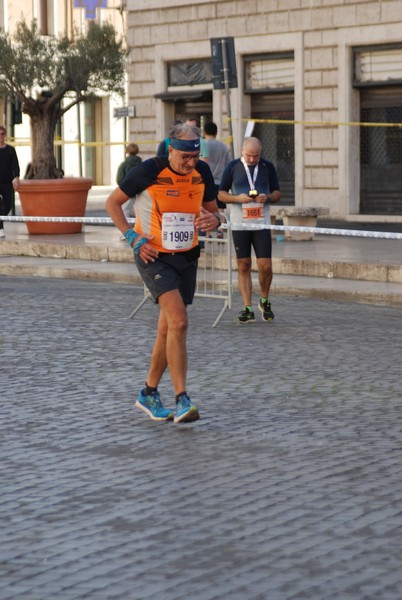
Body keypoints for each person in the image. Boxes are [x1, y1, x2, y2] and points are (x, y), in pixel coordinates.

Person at [106, 122, 220, 423]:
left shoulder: (202, 172)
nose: (191, 163)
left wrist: (214, 221)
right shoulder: (148, 170)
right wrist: (133, 238)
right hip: (153, 255)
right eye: (185, 157)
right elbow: (113, 203)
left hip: (187, 256)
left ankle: (148, 392)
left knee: (167, 327)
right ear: (171, 150)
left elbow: (213, 210)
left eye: (195, 157)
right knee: (180, 321)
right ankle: (183, 399)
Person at [219, 136, 281, 324]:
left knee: (265, 266)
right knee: (243, 264)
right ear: (242, 152)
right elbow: (221, 194)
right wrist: (238, 199)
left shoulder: (267, 167)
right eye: (249, 155)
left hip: (261, 223)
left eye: (256, 156)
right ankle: (247, 308)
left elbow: (278, 193)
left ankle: (264, 299)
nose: (253, 159)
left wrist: (267, 197)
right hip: (240, 223)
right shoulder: (232, 167)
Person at [0, 125, 20, 238]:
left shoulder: (10, 150)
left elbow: (15, 165)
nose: (0, 137)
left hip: (7, 183)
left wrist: (17, 178)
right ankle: (0, 227)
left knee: (7, 206)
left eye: (2, 134)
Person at [116, 143, 142, 220]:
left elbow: (119, 179)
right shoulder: (142, 163)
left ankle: (127, 229)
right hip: (140, 191)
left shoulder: (124, 164)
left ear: (127, 152)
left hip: (128, 191)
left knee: (125, 210)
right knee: (139, 211)